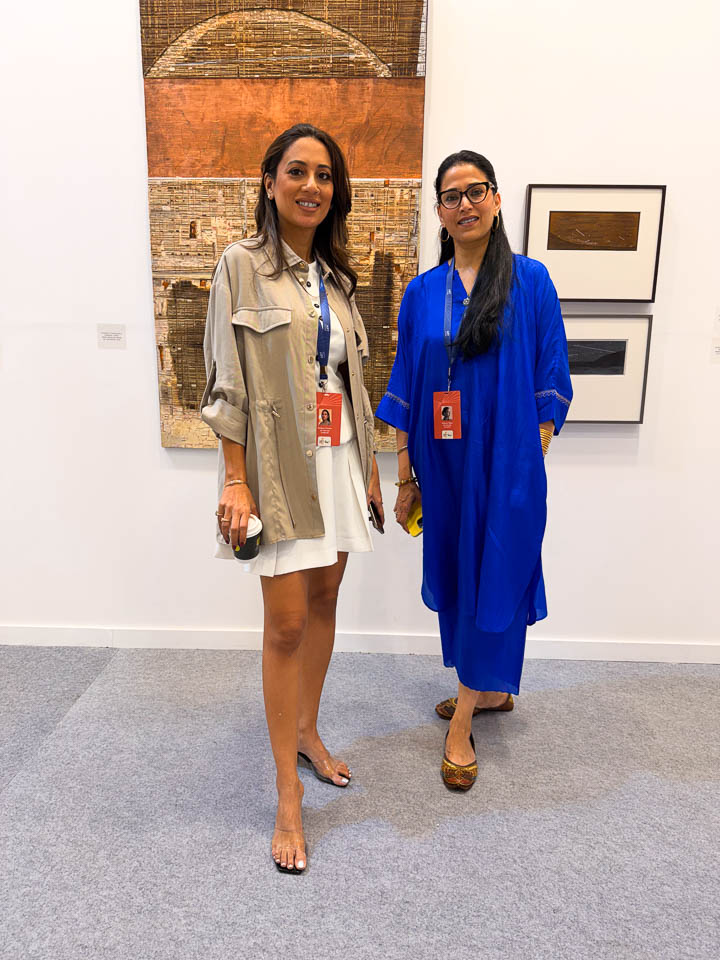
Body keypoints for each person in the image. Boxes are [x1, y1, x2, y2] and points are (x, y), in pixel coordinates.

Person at [201, 124, 383, 871]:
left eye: (325, 175)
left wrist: (369, 470)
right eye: (298, 171)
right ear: (271, 181)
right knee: (285, 623)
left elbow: (349, 382)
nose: (312, 186)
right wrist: (235, 477)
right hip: (277, 466)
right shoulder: (240, 265)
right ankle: (287, 792)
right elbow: (226, 382)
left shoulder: (337, 279)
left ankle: (308, 729)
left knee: (327, 599)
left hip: (339, 459)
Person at [376, 150, 571, 791]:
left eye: (476, 190)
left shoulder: (530, 281)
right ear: (439, 211)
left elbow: (550, 374)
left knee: (498, 570)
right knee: (460, 574)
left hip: (507, 463)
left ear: (495, 199)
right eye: (451, 195)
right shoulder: (421, 292)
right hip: (444, 465)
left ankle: (462, 719)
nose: (464, 204)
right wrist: (407, 476)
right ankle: (488, 689)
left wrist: (525, 462)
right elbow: (407, 383)